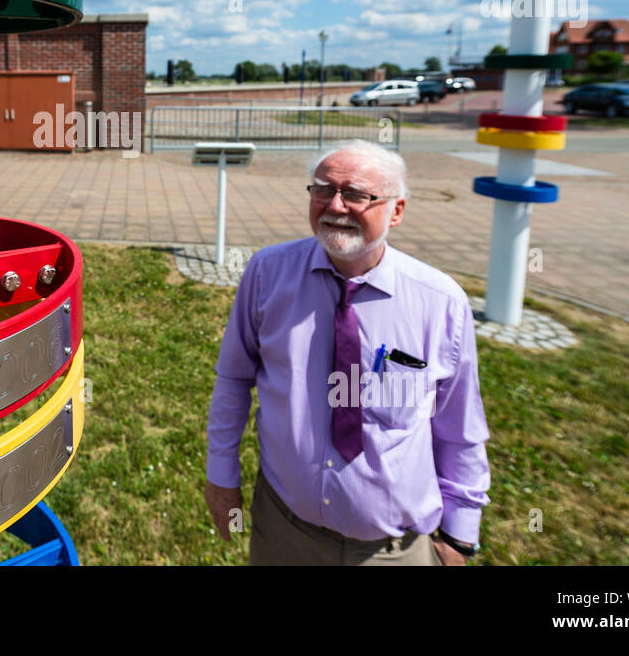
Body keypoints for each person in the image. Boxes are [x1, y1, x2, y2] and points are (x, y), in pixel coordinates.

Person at [204, 139, 490, 565]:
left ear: (397, 210)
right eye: (322, 189)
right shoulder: (267, 274)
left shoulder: (440, 301)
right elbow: (234, 379)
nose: (335, 206)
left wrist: (461, 534)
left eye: (356, 194)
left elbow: (458, 424)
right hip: (284, 532)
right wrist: (221, 475)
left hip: (392, 549)